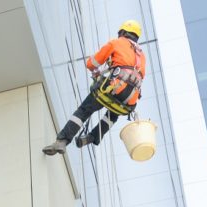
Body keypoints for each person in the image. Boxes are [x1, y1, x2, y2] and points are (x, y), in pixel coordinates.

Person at [42, 20, 147, 155]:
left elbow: (92, 63)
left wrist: (98, 68)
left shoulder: (116, 42)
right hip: (129, 101)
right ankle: (93, 137)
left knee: (84, 110)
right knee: (112, 115)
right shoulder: (141, 56)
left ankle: (62, 141)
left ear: (123, 32)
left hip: (112, 89)